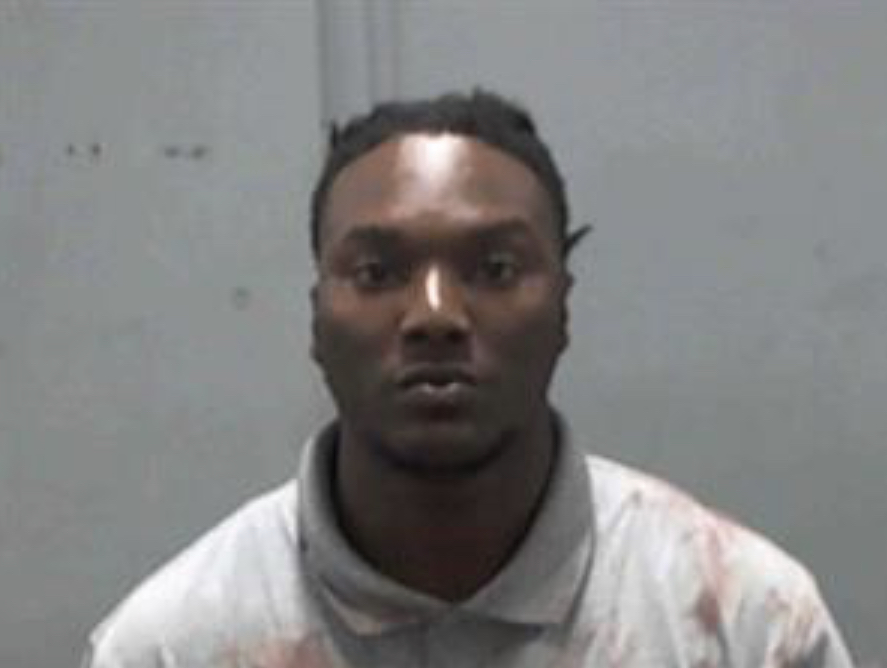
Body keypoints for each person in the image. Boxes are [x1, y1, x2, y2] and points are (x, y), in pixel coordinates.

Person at [83, 90, 854, 667]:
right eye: (376, 271)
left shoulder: (744, 625)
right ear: (316, 319)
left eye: (495, 268)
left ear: (562, 308)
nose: (434, 315)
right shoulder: (173, 646)